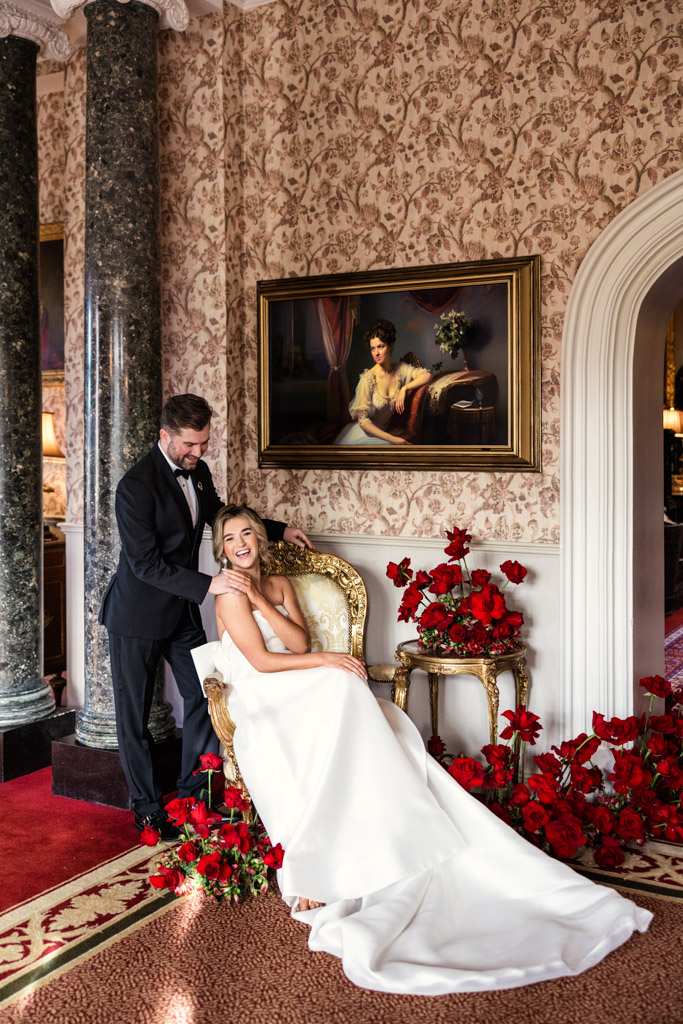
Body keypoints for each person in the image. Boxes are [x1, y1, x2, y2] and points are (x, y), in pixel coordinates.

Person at [207, 504, 652, 997]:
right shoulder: (227, 597)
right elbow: (265, 663)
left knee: (345, 688)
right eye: (231, 539)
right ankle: (322, 858)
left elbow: (296, 640)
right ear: (221, 549)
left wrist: (266, 603)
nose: (242, 543)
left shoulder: (278, 584)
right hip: (261, 693)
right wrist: (329, 657)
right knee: (341, 683)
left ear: (259, 539)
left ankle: (381, 805)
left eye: (248, 533)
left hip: (293, 676)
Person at [99, 394, 312, 842]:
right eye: (190, 446)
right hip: (136, 616)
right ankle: (147, 808)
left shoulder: (199, 472)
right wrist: (208, 585)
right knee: (133, 718)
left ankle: (191, 795)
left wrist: (277, 530)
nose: (198, 454)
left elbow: (220, 515)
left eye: (203, 444)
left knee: (204, 696)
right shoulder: (134, 487)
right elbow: (145, 565)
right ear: (165, 436)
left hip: (179, 612)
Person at [334, 319, 432, 445]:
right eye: (372, 349)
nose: (376, 353)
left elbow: (427, 375)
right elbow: (363, 423)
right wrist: (393, 439)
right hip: (365, 433)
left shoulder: (400, 369)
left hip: (382, 435)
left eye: (380, 346)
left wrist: (404, 388)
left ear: (390, 346)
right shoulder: (367, 379)